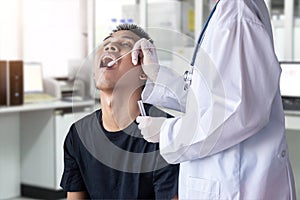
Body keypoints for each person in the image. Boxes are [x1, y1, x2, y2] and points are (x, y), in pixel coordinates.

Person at [134, 0, 297, 199]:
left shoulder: (236, 10)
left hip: (236, 185)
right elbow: (210, 98)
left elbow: (239, 112)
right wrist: (157, 74)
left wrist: (169, 133)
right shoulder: (226, 10)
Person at [60, 24, 179, 199]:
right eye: (106, 43)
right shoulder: (78, 134)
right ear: (94, 73)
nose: (110, 47)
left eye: (126, 44)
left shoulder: (165, 133)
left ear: (143, 71)